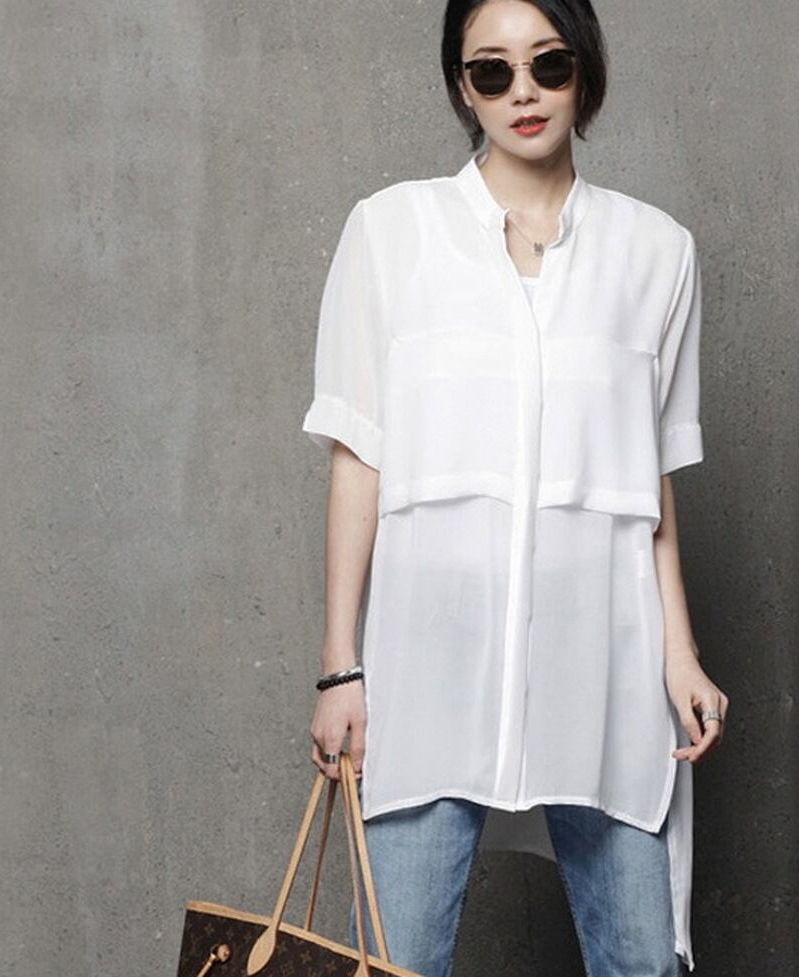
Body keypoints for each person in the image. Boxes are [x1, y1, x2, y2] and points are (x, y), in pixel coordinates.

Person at [302, 1, 729, 975]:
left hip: (603, 663)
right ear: (462, 87)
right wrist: (339, 666)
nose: (522, 92)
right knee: (394, 961)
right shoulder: (390, 232)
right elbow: (357, 455)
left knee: (639, 960)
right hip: (428, 664)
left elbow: (649, 476)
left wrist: (679, 655)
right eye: (490, 71)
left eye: (548, 64)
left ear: (585, 70)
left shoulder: (655, 252)